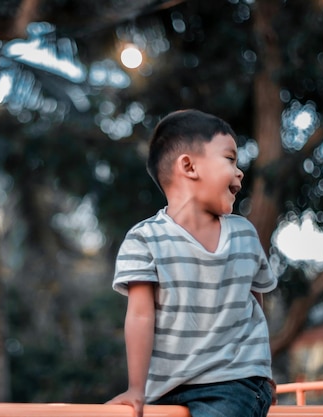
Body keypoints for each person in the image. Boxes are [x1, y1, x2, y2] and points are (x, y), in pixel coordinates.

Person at [106, 109, 278, 417]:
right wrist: (136, 389)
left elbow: (253, 302)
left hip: (233, 382)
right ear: (188, 166)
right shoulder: (144, 239)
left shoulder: (244, 234)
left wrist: (261, 368)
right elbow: (140, 316)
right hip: (166, 387)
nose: (240, 172)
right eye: (229, 159)